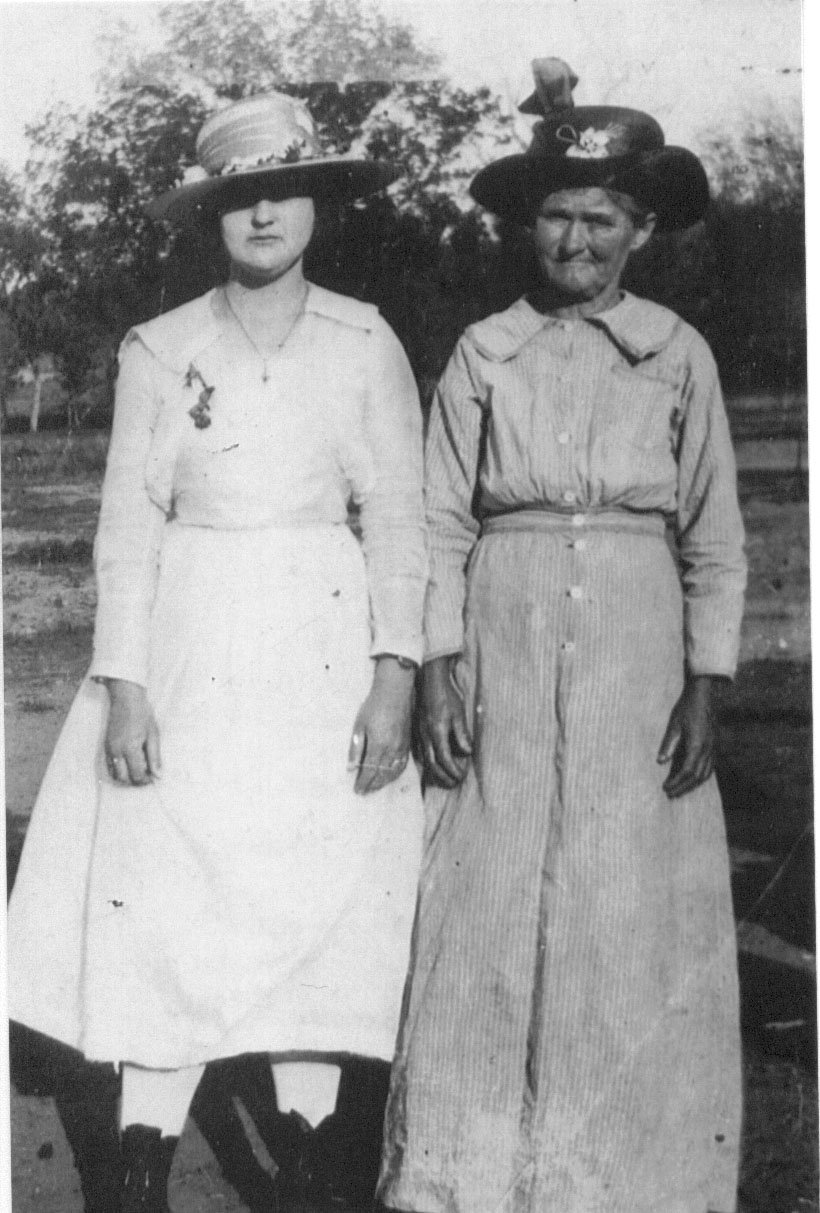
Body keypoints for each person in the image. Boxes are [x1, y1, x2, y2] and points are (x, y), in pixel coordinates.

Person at [7, 91, 427, 1212]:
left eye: (285, 189)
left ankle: (310, 1163)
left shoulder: (364, 339)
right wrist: (128, 686)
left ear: (318, 206)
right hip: (193, 641)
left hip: (326, 646)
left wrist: (396, 674)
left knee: (315, 890)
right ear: (211, 214)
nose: (263, 214)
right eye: (240, 195)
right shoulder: (163, 347)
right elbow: (128, 530)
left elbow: (396, 516)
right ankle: (142, 1166)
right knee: (175, 896)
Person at [379, 59, 747, 1213]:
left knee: (622, 898)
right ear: (523, 226)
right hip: (504, 634)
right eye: (555, 217)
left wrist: (705, 681)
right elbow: (437, 519)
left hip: (638, 650)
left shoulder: (678, 352)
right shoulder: (485, 351)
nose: (574, 242)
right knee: (488, 894)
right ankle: (468, 1177)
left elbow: (714, 535)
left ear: (640, 229)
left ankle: (632, 1176)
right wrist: (438, 664)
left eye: (599, 220)